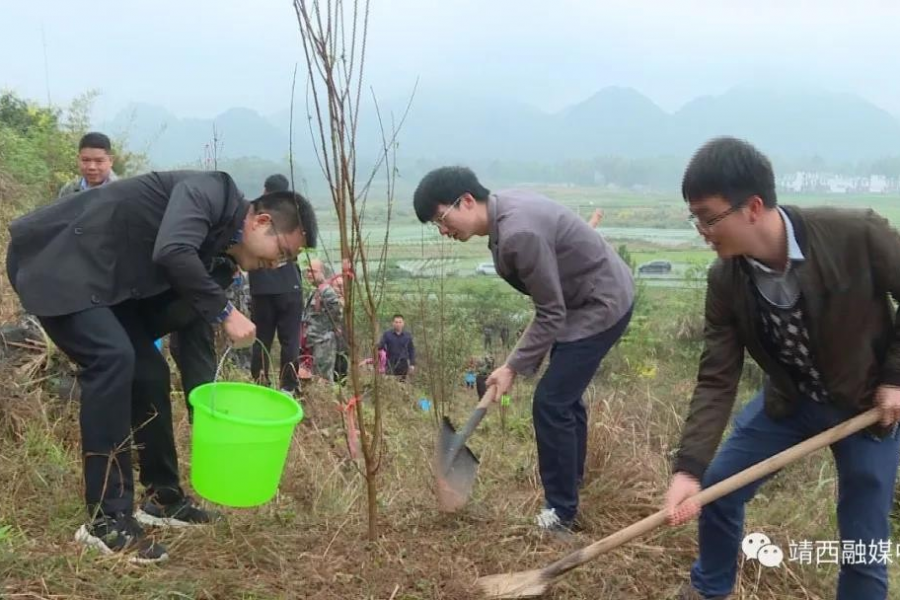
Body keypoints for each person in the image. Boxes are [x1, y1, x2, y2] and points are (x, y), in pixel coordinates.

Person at [6, 170, 318, 563]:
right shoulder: (210, 192)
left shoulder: (220, 254)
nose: (277, 265)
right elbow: (171, 251)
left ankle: (162, 499)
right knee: (112, 358)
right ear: (261, 222)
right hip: (57, 262)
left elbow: (188, 330)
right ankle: (107, 519)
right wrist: (225, 311)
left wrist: (207, 406)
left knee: (149, 370)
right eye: (283, 253)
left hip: (104, 286)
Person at [664, 137, 900, 600]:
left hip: (865, 403)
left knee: (862, 543)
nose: (703, 230)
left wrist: (895, 377)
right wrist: (688, 470)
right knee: (717, 489)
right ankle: (709, 590)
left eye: (709, 217)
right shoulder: (726, 279)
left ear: (753, 207)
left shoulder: (855, 234)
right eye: (695, 219)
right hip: (790, 400)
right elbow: (717, 377)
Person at [413, 166, 634, 534]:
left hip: (600, 304)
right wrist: (513, 364)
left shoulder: (518, 234)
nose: (443, 230)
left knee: (551, 402)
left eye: (441, 218)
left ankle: (561, 512)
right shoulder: (505, 211)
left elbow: (551, 312)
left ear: (466, 200)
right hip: (583, 298)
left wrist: (512, 367)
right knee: (564, 396)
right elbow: (550, 307)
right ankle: (573, 483)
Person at [248, 174, 304, 394]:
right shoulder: (294, 215)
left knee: (261, 339)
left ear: (265, 189)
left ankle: (260, 385)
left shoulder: (254, 214)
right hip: (289, 286)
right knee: (290, 340)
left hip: (261, 288)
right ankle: (289, 387)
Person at [302, 259, 342, 382]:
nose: (309, 274)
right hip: (313, 342)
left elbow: (338, 315)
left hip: (324, 341)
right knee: (315, 377)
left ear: (322, 272)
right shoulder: (315, 291)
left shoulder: (328, 292)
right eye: (308, 271)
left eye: (313, 271)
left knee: (323, 379)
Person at [58, 132, 119, 198]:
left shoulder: (121, 192)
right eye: (86, 160)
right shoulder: (68, 191)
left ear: (111, 161)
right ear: (78, 159)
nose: (91, 167)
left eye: (99, 161)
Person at [378, 314, 416, 381]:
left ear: (403, 323)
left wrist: (412, 364)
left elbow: (411, 350)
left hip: (403, 364)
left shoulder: (407, 336)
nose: (398, 324)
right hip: (390, 363)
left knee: (402, 384)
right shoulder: (387, 334)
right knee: (390, 384)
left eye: (400, 322)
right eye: (396, 322)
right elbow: (381, 347)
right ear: (393, 323)